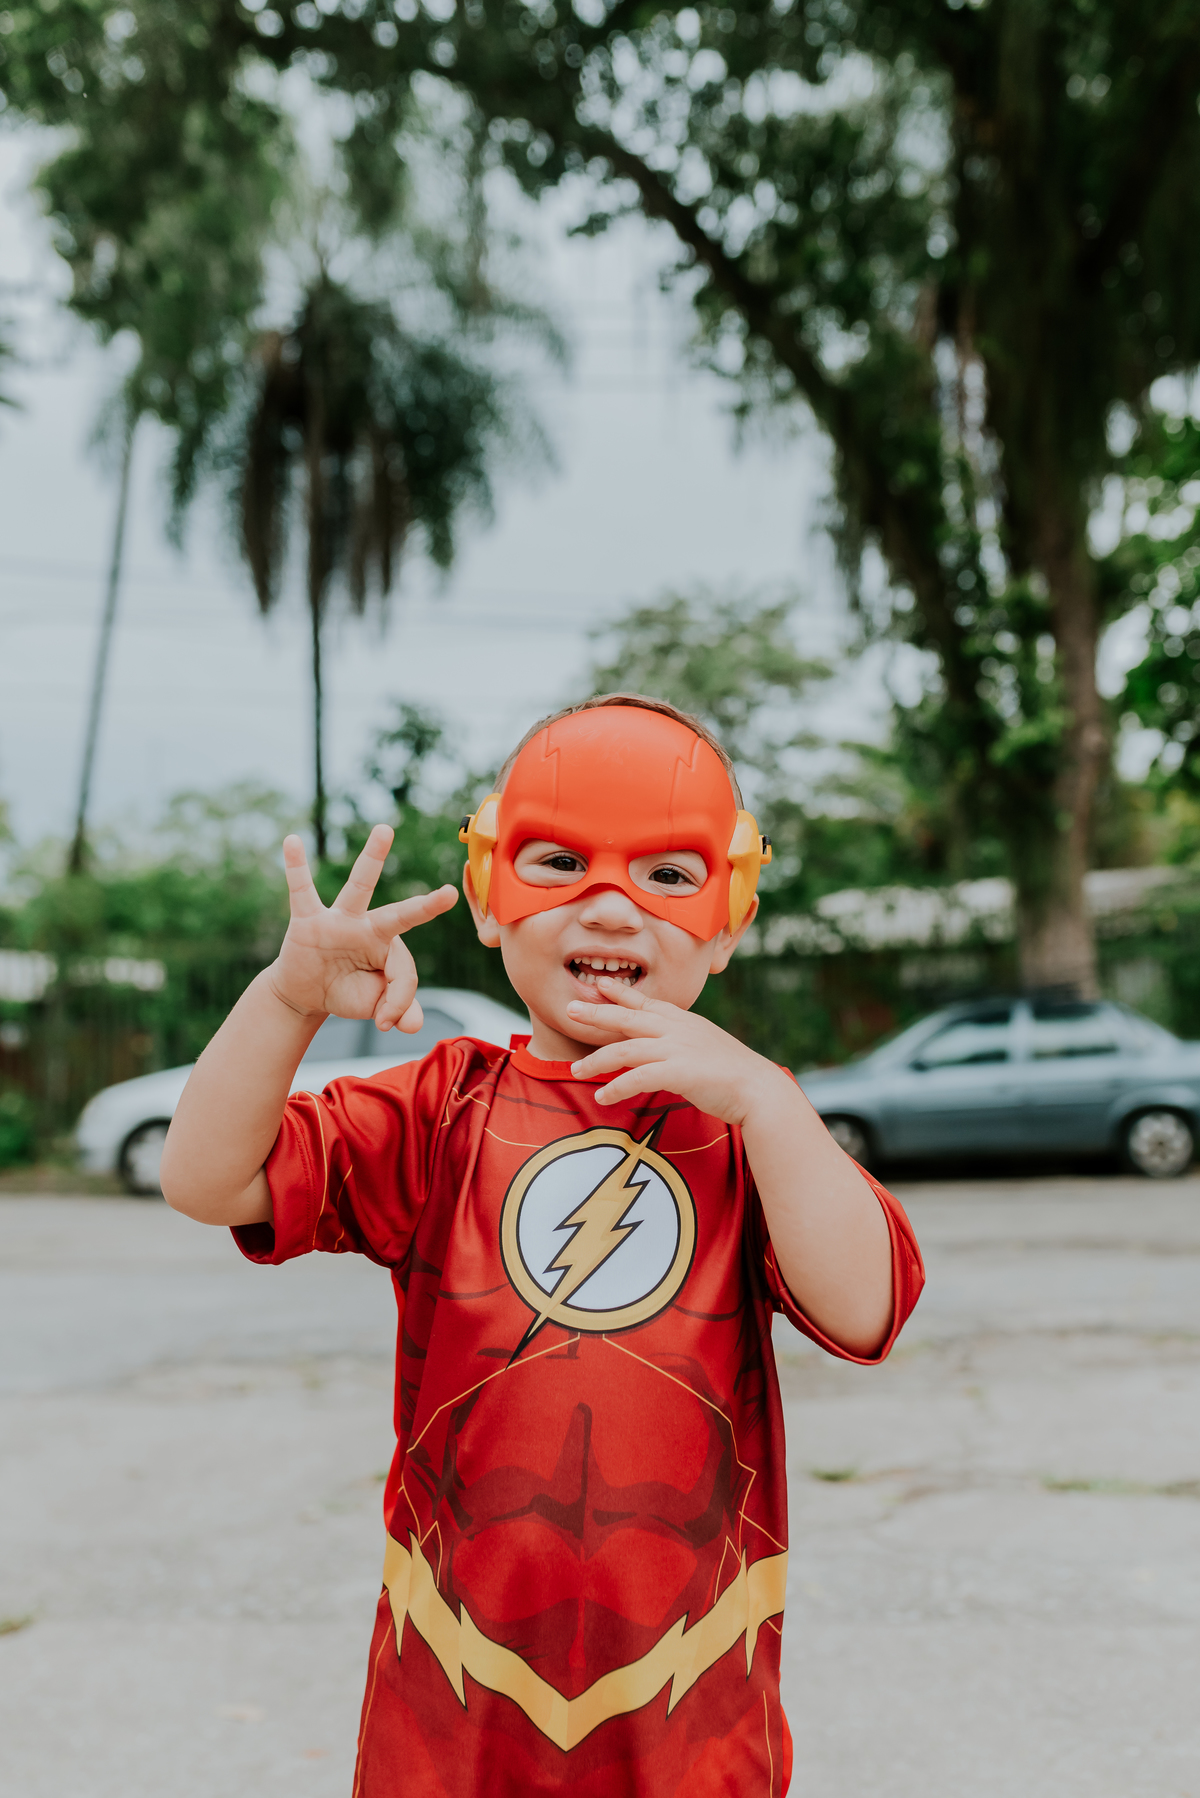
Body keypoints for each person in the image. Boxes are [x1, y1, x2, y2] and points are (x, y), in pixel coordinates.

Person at [161, 694, 924, 1798]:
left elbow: (865, 1308)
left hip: (692, 1715)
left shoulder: (752, 1127)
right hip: (452, 1714)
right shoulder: (441, 1109)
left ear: (730, 915)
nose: (612, 908)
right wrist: (289, 1001)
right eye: (562, 861)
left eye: (668, 874)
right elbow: (207, 1178)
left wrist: (764, 1100)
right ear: (486, 893)